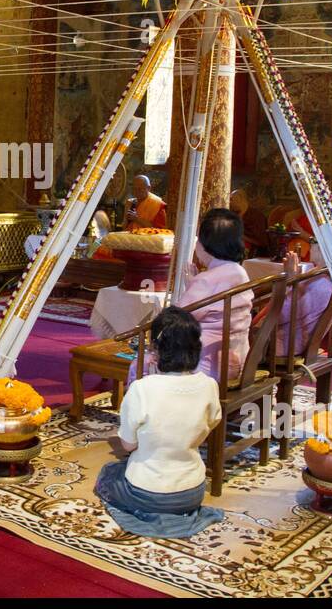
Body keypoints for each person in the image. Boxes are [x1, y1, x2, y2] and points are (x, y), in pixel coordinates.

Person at [94, 306, 224, 538]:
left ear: (156, 350)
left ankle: (148, 513)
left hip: (147, 491)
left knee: (109, 473)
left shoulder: (142, 389)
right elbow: (211, 424)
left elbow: (128, 445)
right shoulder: (210, 385)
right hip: (192, 492)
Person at [176, 208, 253, 383]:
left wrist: (193, 286)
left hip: (207, 365)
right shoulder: (241, 272)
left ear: (205, 245)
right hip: (239, 355)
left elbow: (177, 319)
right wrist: (193, 285)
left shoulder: (205, 281)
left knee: (145, 360)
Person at [230, 188, 269, 257]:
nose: (229, 203)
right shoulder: (233, 214)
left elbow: (261, 242)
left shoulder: (257, 216)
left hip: (255, 253)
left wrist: (241, 236)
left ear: (240, 199)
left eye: (231, 199)